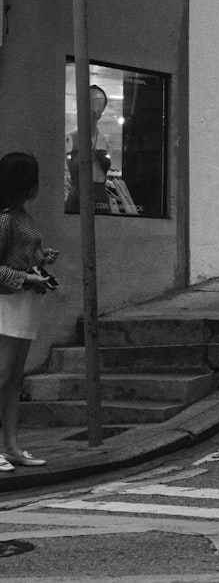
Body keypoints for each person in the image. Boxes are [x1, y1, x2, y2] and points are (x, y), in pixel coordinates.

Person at [0, 153, 59, 471]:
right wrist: (27, 278)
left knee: (13, 380)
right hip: (6, 304)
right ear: (26, 183)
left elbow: (19, 254)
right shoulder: (7, 218)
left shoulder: (21, 215)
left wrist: (41, 258)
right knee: (2, 376)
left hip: (22, 304)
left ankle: (11, 446)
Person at [65, 84, 112, 214]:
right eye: (91, 105)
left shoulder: (104, 140)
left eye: (99, 107)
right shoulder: (71, 138)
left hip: (101, 198)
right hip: (79, 197)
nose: (95, 111)